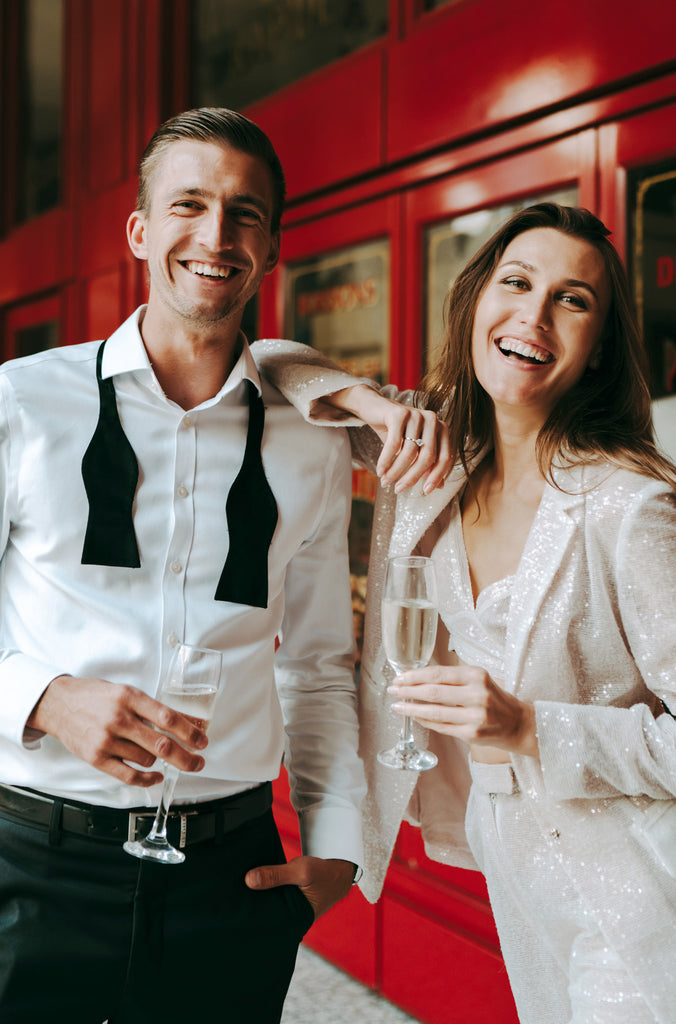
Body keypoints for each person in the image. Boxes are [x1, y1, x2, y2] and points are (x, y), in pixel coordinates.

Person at [0, 108, 435, 1024]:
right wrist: (47, 697)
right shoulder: (23, 402)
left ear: (271, 245)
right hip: (33, 873)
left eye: (245, 213)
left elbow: (317, 664)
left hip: (232, 885)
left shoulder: (311, 443)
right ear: (141, 231)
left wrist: (336, 849)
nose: (216, 236)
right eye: (189, 204)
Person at [254, 203, 676, 1024]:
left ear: (595, 351)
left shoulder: (631, 509)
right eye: (516, 282)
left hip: (643, 884)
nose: (535, 315)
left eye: (572, 300)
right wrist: (376, 409)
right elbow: (268, 361)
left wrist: (530, 727)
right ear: (476, 300)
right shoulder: (429, 458)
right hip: (517, 867)